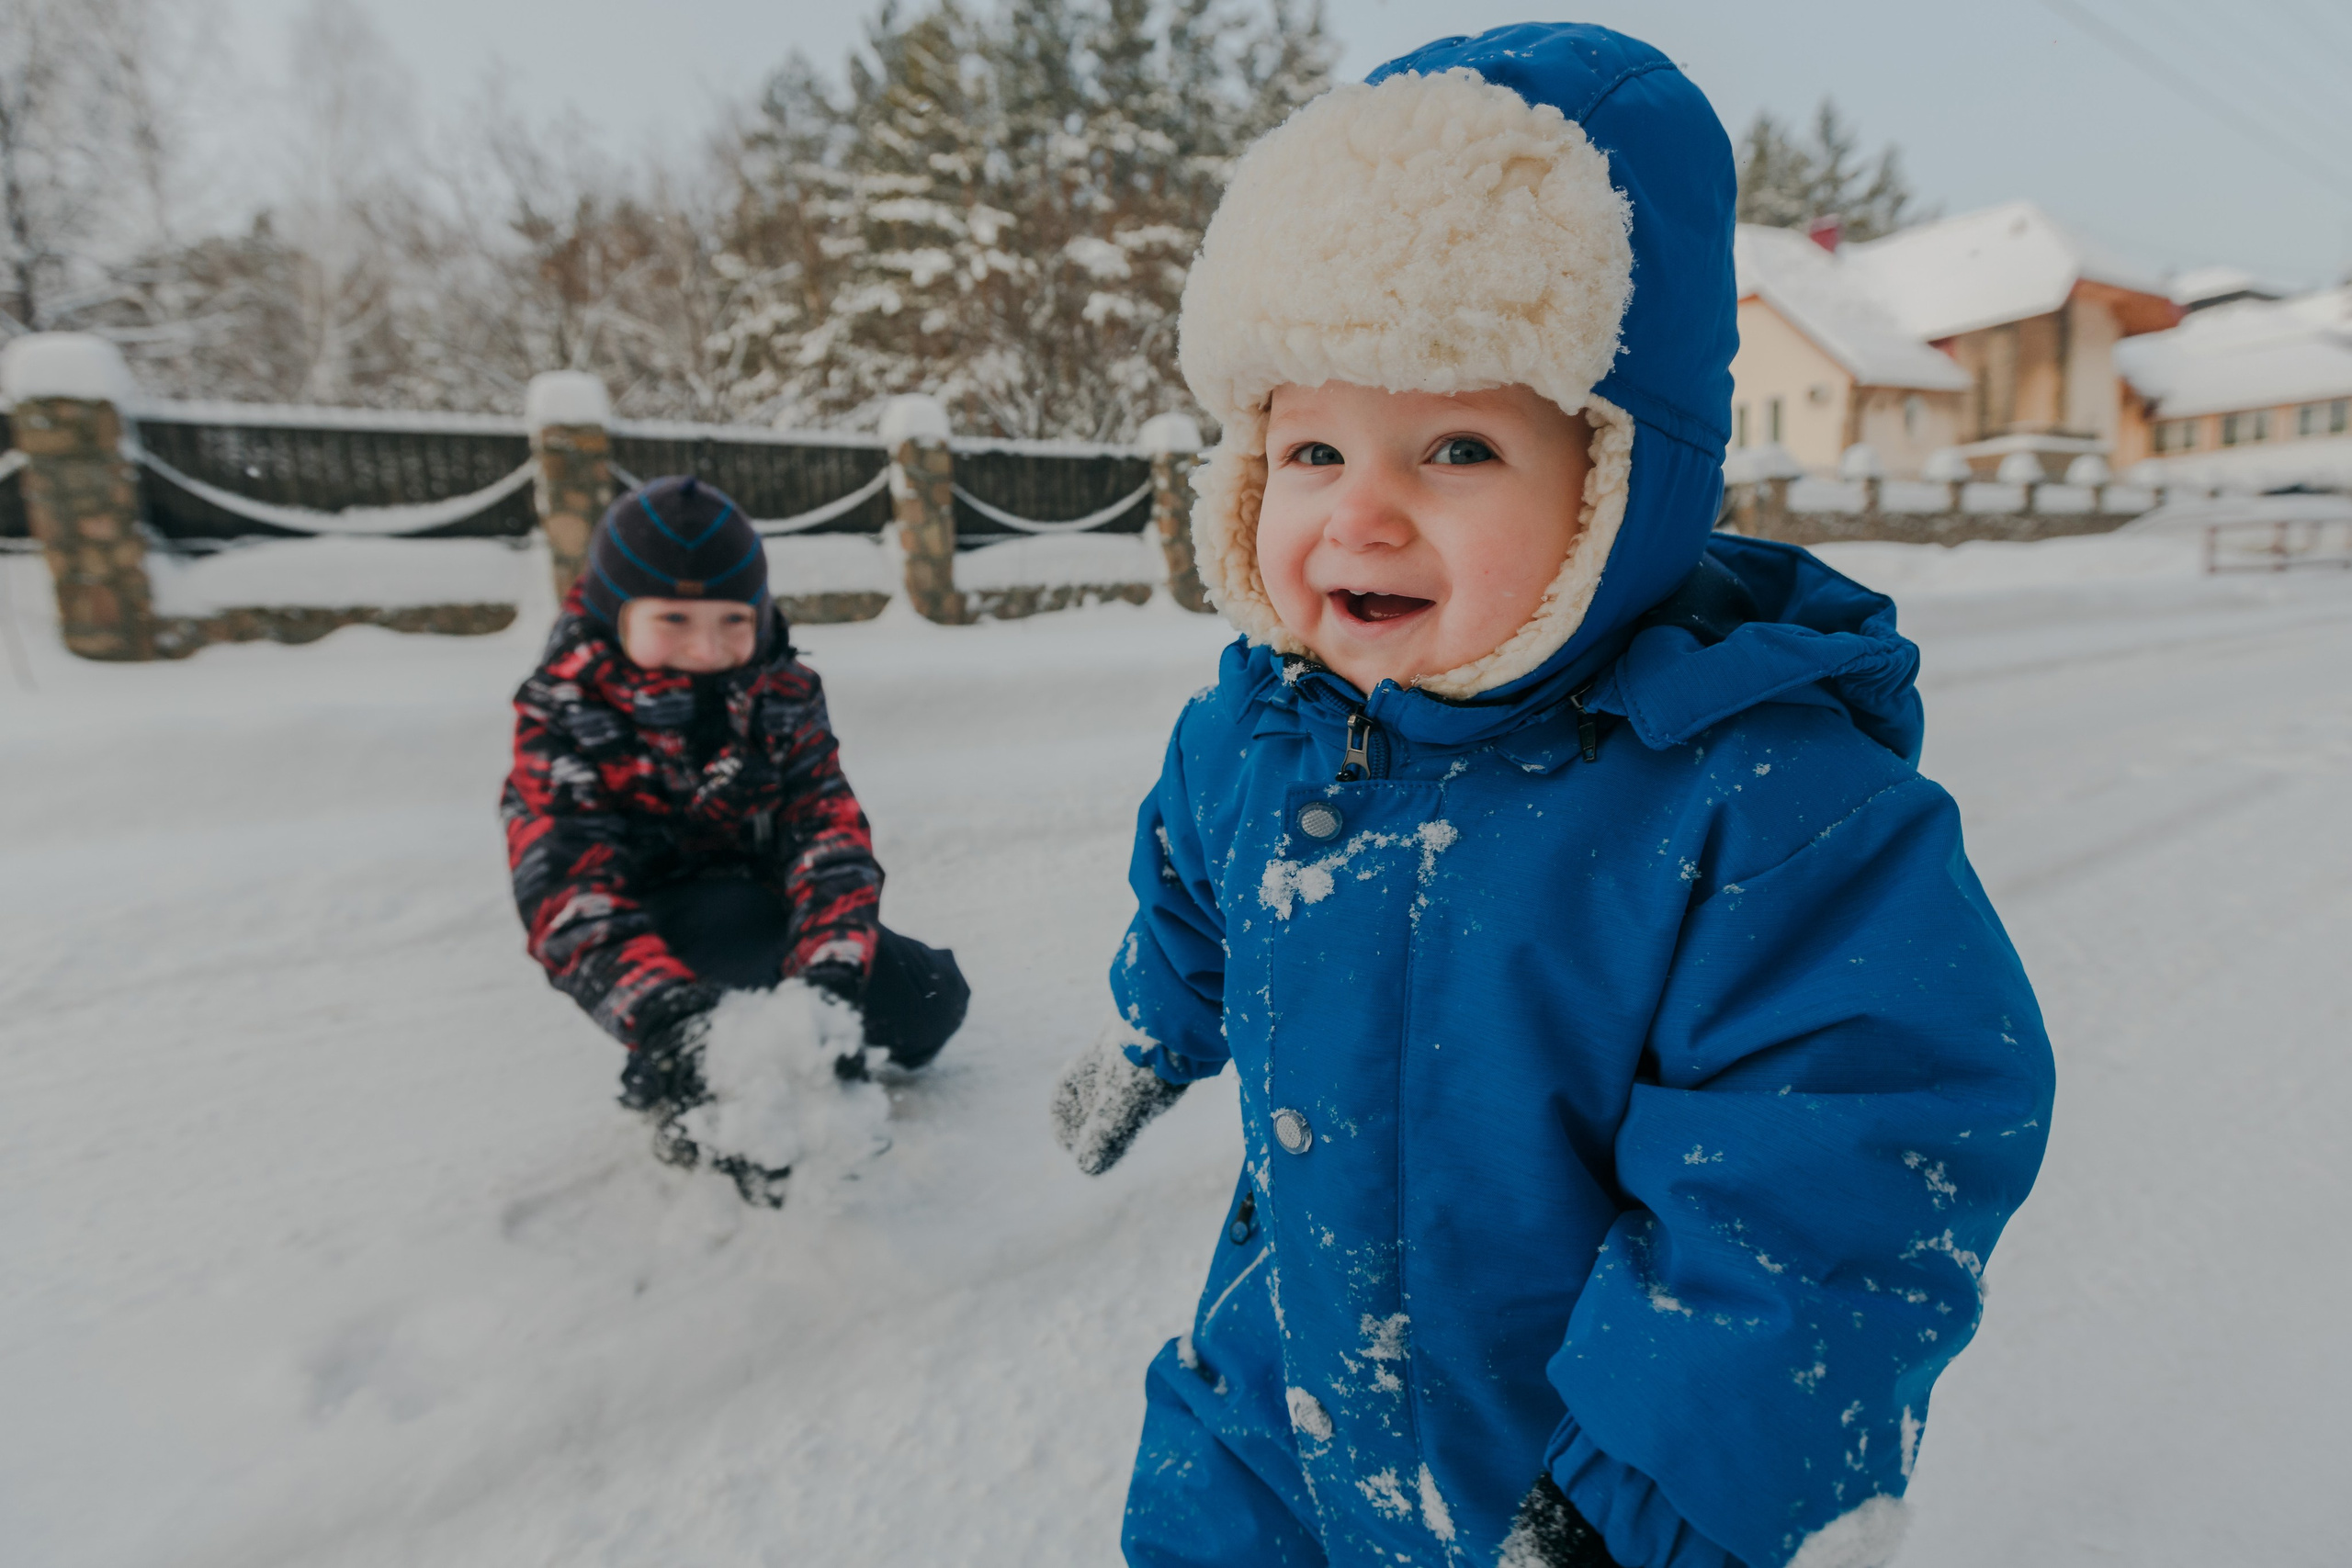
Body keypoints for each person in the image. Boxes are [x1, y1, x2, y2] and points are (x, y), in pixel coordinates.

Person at [1048, 26, 2053, 1568]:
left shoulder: (1771, 807)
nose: (1359, 512)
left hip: (1570, 1473)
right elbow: (1193, 880)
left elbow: (1838, 1195)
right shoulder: (1262, 728)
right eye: (1312, 445)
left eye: (1456, 444)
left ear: (1619, 475)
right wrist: (1154, 1023)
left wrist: (1640, 1493)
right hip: (1279, 1398)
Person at [503, 475, 967, 1206]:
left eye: (732, 618)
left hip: (767, 907)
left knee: (930, 1001)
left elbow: (829, 835)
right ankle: (684, 1071)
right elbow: (568, 891)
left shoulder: (780, 692)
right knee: (737, 1045)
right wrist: (667, 1019)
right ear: (612, 613)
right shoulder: (567, 711)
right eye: (673, 619)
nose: (708, 647)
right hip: (661, 930)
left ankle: (786, 1014)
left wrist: (830, 981)